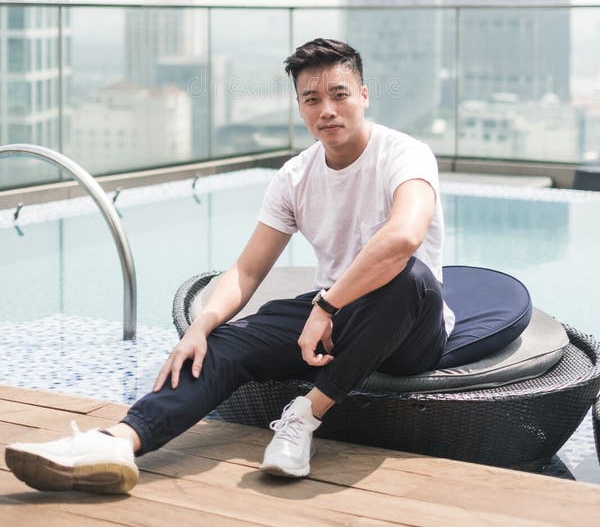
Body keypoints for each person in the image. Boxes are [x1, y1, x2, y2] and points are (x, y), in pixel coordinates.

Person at [6, 37, 454, 494]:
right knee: (220, 343)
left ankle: (304, 414)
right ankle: (117, 441)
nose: (327, 110)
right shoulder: (296, 176)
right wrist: (201, 325)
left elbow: (403, 237)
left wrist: (327, 306)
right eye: (312, 99)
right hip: (336, 309)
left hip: (408, 325)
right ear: (299, 107)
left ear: (363, 95)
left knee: (411, 277)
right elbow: (246, 270)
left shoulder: (404, 154)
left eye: (339, 94)